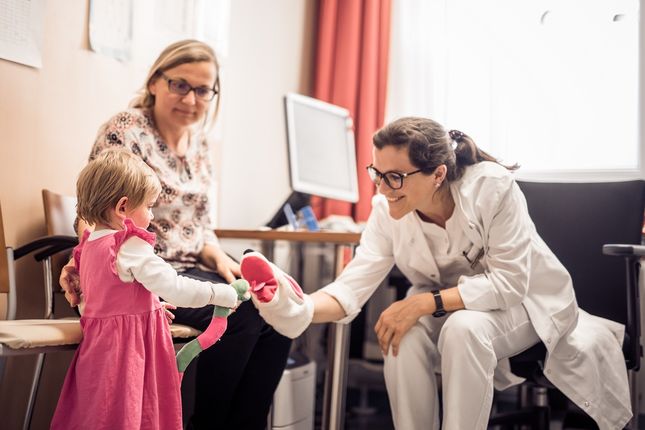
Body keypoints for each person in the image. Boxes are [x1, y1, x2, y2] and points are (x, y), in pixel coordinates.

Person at [252, 117, 632, 429]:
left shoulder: (491, 188)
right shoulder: (387, 210)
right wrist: (297, 307)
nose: (383, 189)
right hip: (448, 308)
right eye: (377, 173)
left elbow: (511, 283)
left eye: (395, 177)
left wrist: (422, 302)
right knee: (401, 332)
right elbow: (352, 287)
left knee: (463, 329)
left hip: (528, 303)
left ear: (437, 174)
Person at [59, 40, 292, 429]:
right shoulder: (126, 130)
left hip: (190, 268)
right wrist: (82, 258)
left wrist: (227, 265)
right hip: (140, 273)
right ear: (155, 82)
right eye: (180, 85)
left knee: (277, 313)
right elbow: (95, 209)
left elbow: (202, 231)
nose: (191, 99)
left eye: (203, 90)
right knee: (244, 315)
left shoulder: (200, 146)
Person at [51, 149, 241, 429]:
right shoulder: (128, 244)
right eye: (150, 206)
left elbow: (98, 303)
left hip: (99, 349)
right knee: (136, 412)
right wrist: (221, 293)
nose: (152, 215)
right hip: (130, 351)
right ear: (123, 207)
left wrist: (146, 307)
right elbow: (176, 288)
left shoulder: (88, 248)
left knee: (102, 413)